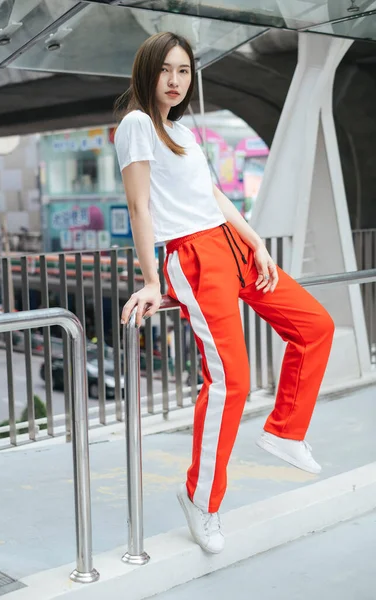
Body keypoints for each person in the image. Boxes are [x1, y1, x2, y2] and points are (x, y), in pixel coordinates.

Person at [114, 32, 334, 555]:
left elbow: (210, 193)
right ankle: (202, 500)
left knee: (314, 326)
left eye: (184, 72)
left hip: (232, 244)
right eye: (166, 70)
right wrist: (151, 280)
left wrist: (254, 238)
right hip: (192, 255)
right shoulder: (137, 124)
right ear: (148, 71)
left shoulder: (183, 131)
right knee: (230, 381)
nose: (174, 81)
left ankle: (285, 431)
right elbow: (141, 207)